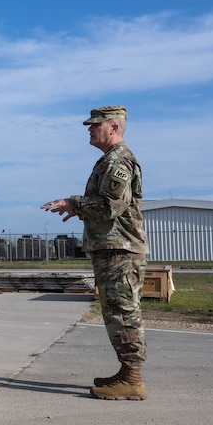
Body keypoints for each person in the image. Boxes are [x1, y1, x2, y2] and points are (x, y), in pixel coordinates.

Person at [42, 106, 149, 400]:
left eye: (95, 125)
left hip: (120, 251)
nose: (89, 130)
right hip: (112, 249)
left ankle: (133, 379)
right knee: (116, 312)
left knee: (124, 313)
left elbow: (111, 205)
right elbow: (107, 206)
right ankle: (127, 372)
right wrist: (77, 209)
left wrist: (74, 203)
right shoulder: (108, 161)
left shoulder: (118, 162)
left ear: (113, 127)